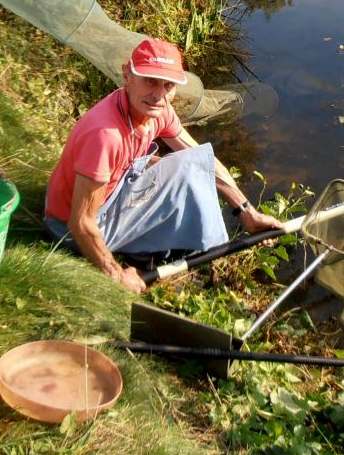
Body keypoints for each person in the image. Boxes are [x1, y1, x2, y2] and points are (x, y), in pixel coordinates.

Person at [43, 38, 282, 292]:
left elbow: (203, 161)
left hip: (107, 195)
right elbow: (80, 222)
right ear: (127, 75)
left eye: (168, 85)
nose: (158, 94)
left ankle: (150, 254)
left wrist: (247, 212)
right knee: (176, 183)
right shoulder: (105, 135)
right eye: (150, 80)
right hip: (67, 228)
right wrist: (115, 275)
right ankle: (143, 262)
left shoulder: (157, 110)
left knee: (188, 165)